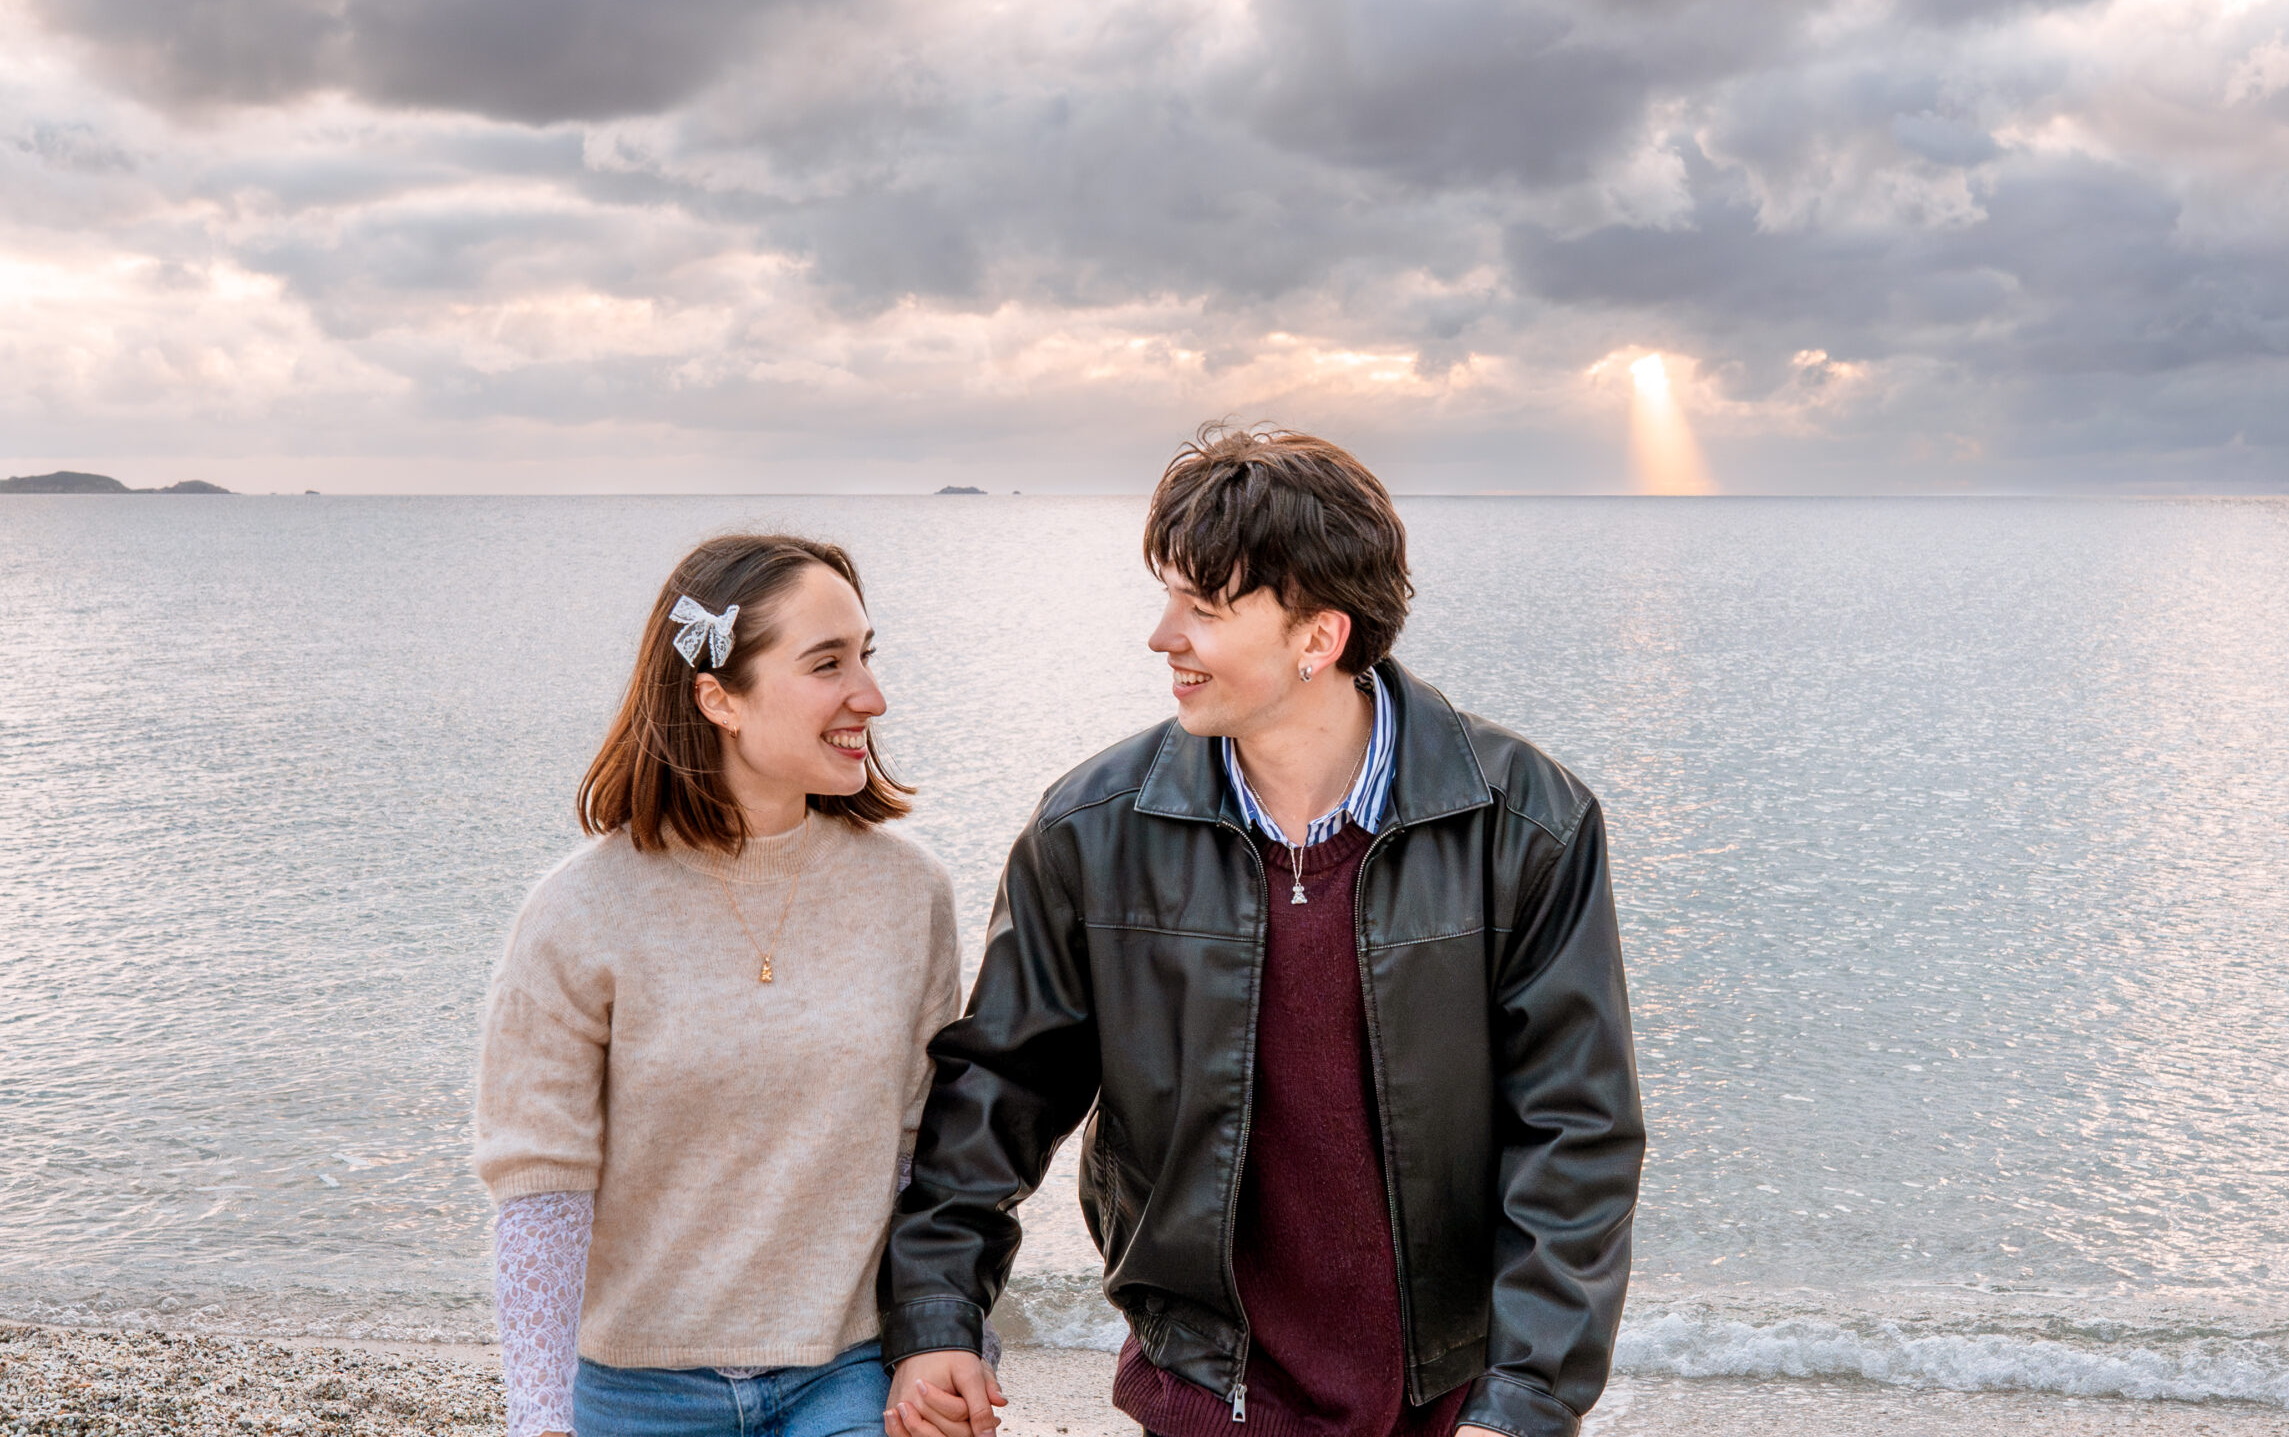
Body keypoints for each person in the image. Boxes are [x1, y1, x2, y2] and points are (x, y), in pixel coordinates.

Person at [878, 426, 1645, 1437]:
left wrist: (1527, 1398)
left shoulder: (1524, 823)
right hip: (1208, 1392)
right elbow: (998, 1094)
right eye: (1168, 601)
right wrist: (938, 1317)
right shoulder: (1091, 831)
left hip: (1459, 1406)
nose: (1163, 637)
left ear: (1317, 638)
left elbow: (1576, 1133)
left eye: (1204, 608)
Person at [475, 533, 968, 1437]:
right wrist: (541, 1418)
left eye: (867, 655)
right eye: (828, 664)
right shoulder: (578, 910)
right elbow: (542, 1185)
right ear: (718, 697)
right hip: (633, 1392)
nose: (872, 695)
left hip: (847, 1378)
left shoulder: (910, 895)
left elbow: (925, 1161)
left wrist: (940, 1352)